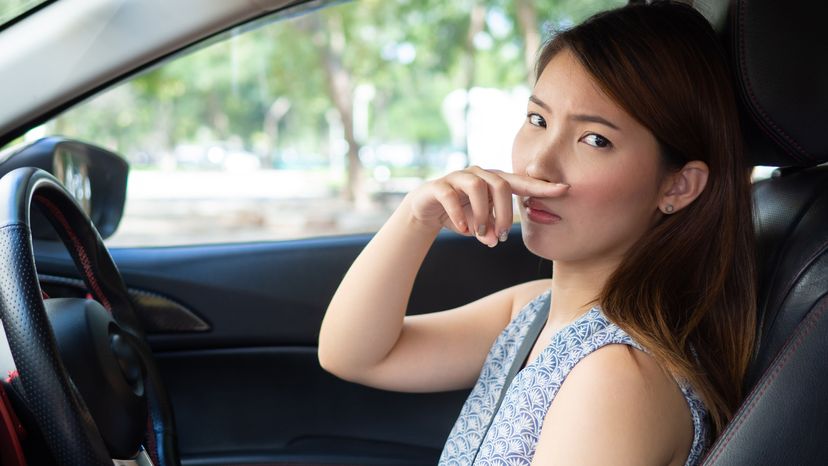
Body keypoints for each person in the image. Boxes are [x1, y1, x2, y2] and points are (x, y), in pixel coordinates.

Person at [318, 2, 756, 464]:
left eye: (595, 140)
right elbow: (353, 354)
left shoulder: (617, 376)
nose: (536, 166)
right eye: (537, 120)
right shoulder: (534, 310)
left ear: (677, 185)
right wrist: (415, 217)